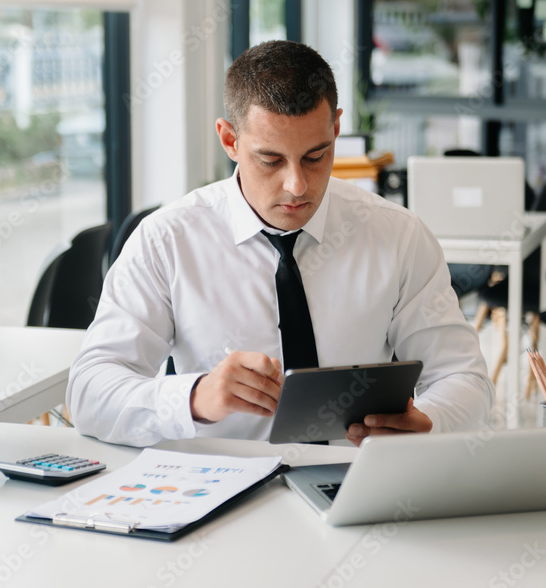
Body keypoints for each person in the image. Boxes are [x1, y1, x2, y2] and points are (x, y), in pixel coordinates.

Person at [67, 40, 493, 447]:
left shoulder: (398, 236)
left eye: (316, 155)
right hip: (221, 489)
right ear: (230, 140)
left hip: (356, 478)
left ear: (337, 128)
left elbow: (464, 378)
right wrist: (195, 397)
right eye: (270, 160)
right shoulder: (167, 240)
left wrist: (429, 423)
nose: (297, 185)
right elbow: (89, 393)